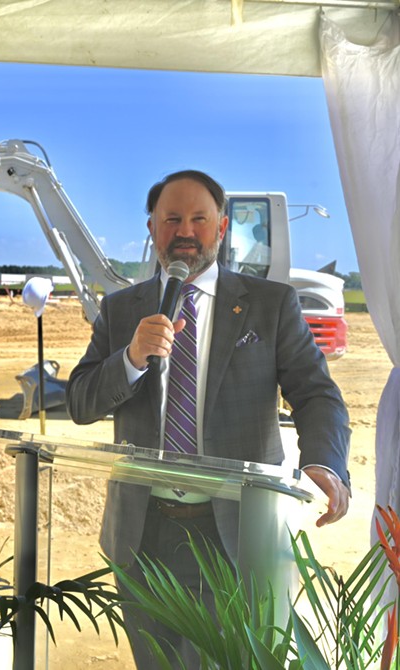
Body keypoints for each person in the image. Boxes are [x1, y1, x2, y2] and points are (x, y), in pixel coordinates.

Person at [65, 170, 350, 669]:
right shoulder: (119, 310)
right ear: (152, 228)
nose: (185, 231)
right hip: (143, 536)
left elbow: (316, 393)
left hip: (238, 535)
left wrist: (325, 462)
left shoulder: (270, 304)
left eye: (200, 219)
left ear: (221, 230)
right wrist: (131, 358)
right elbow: (80, 403)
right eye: (172, 219)